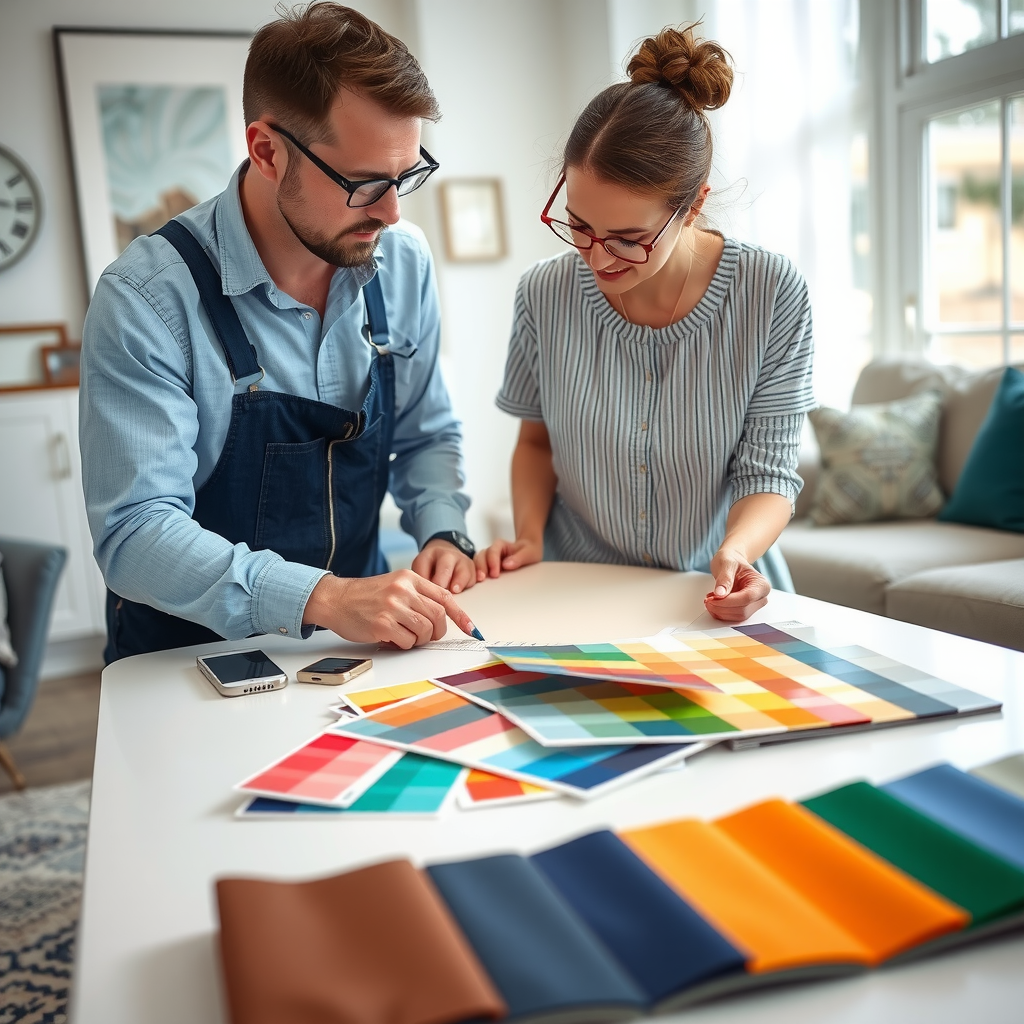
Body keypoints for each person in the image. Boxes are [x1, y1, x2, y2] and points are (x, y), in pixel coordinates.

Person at [80, 3, 482, 662]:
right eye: (362, 183)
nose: (391, 211)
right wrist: (322, 598)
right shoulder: (147, 299)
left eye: (405, 174)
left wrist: (443, 531)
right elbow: (135, 532)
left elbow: (426, 433)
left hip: (352, 650)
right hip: (184, 662)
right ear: (266, 150)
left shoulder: (402, 259)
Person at [476, 24, 814, 623]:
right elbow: (535, 441)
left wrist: (736, 552)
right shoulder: (543, 292)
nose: (597, 257)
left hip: (706, 597)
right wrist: (528, 534)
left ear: (694, 205)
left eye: (628, 239)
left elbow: (769, 471)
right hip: (574, 589)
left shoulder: (770, 292)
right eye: (578, 225)